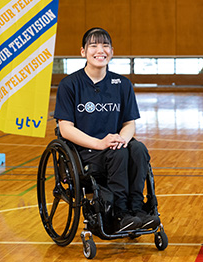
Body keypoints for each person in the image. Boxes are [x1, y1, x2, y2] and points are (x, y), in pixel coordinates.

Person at [53, 27, 159, 232]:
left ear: (112, 51)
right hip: (85, 152)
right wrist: (99, 143)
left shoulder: (122, 84)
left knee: (138, 149)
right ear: (83, 52)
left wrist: (122, 139)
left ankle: (137, 209)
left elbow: (129, 123)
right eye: (93, 45)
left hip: (114, 146)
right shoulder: (70, 85)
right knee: (117, 154)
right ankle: (119, 213)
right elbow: (65, 129)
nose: (100, 50)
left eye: (105, 45)